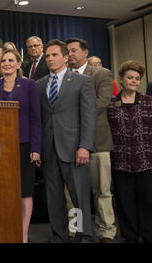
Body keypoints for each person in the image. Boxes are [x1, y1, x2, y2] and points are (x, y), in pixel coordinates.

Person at [36, 39, 96, 243]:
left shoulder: (82, 81)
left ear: (65, 57)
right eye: (47, 56)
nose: (50, 59)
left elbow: (88, 117)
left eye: (54, 55)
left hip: (74, 149)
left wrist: (85, 146)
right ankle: (60, 236)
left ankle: (83, 236)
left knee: (78, 197)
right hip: (49, 149)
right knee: (53, 198)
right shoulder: (40, 84)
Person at [0, 48, 41, 243]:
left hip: (24, 146)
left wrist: (36, 148)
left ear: (18, 63)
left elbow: (36, 118)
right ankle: (4, 230)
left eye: (11, 60)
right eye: (3, 61)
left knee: (25, 192)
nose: (6, 63)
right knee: (2, 190)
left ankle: (23, 234)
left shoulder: (29, 85)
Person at [66, 38, 116, 242]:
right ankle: (74, 230)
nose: (70, 54)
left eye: (74, 50)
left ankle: (106, 231)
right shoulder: (64, 77)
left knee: (102, 191)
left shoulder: (101, 74)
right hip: (69, 144)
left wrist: (71, 111)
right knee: (72, 193)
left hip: (98, 142)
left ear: (85, 52)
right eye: (67, 51)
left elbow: (101, 103)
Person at [107, 60, 152, 243]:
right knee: (125, 202)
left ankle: (148, 235)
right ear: (122, 79)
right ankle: (130, 236)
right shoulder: (111, 104)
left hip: (146, 160)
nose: (134, 81)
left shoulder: (149, 102)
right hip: (121, 160)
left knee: (148, 200)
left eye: (137, 78)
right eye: (130, 77)